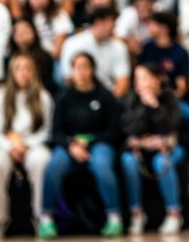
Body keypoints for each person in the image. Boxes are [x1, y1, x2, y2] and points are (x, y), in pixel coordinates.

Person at [38, 52, 123, 239]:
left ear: (92, 70)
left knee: (102, 165)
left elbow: (114, 131)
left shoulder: (105, 96)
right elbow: (56, 132)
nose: (81, 71)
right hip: (71, 145)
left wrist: (90, 141)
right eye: (77, 67)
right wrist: (71, 144)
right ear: (72, 71)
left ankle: (114, 216)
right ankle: (46, 217)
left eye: (85, 67)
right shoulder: (63, 97)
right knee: (54, 165)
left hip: (99, 142)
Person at [0, 53, 53, 239]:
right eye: (19, 68)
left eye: (27, 68)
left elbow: (47, 130)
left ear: (34, 72)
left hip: (32, 144)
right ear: (11, 72)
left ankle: (41, 218)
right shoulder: (0, 95)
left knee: (42, 160)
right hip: (5, 145)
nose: (23, 72)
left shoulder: (43, 96)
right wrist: (10, 147)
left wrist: (26, 145)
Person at [120, 64, 185, 235]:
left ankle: (174, 213)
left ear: (156, 79)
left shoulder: (169, 97)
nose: (139, 83)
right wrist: (144, 107)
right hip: (141, 150)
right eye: (136, 79)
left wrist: (155, 106)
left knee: (162, 162)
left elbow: (172, 126)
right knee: (128, 161)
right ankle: (136, 213)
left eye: (144, 78)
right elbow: (129, 129)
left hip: (170, 148)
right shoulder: (132, 99)